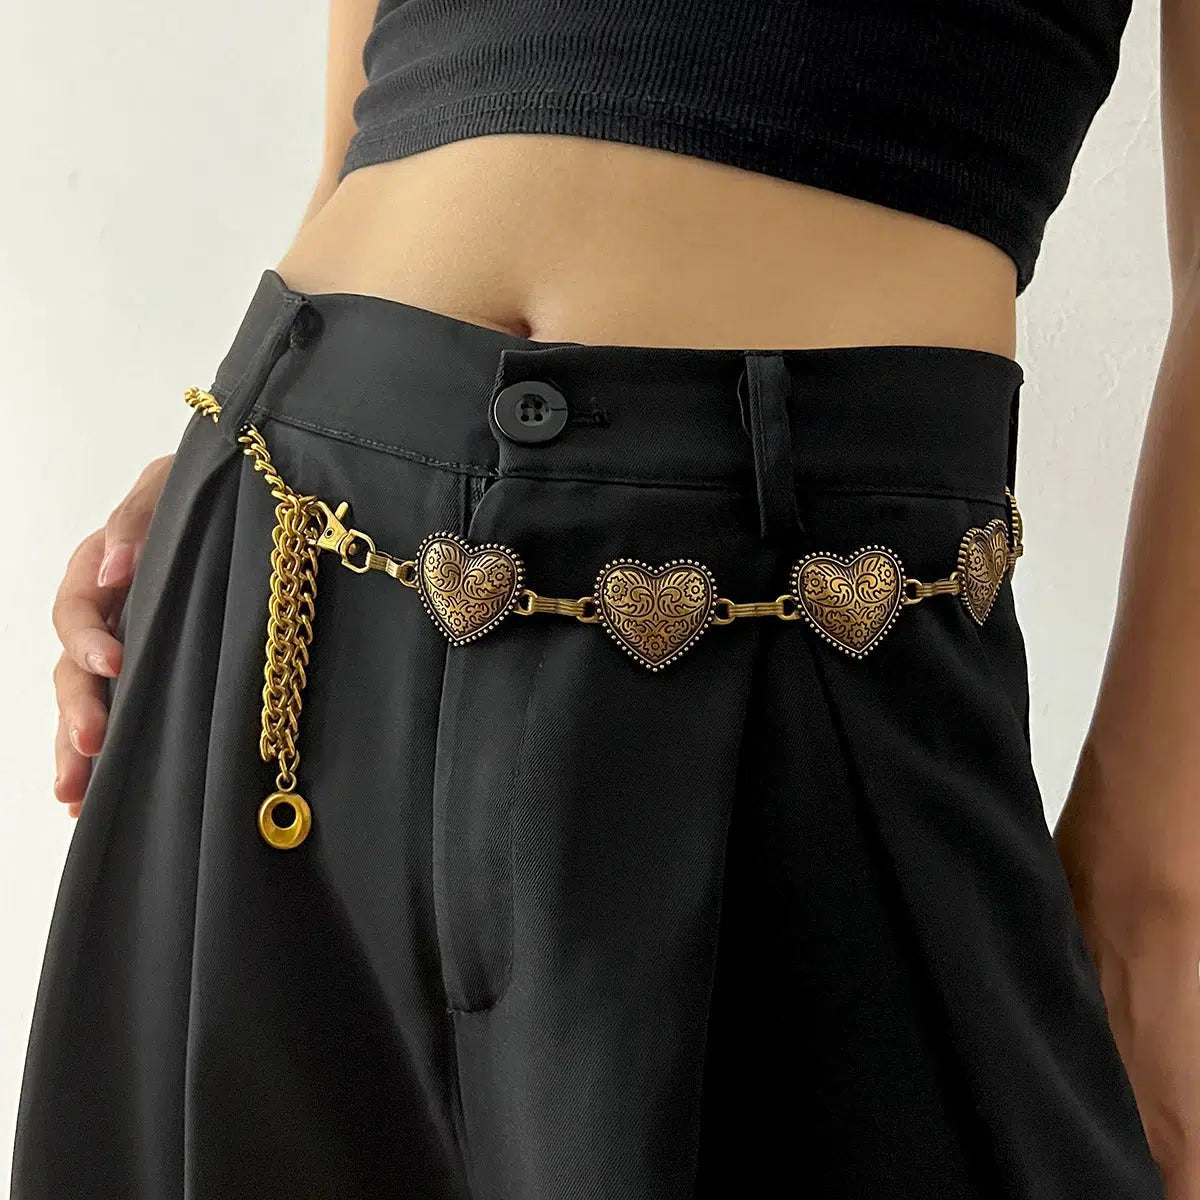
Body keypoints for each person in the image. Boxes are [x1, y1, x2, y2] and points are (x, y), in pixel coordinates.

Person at [11, 1, 1195, 1197]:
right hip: (291, 573)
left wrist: (1155, 900)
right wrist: (209, 463)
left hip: (810, 623)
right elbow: (359, 143)